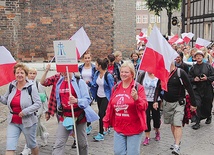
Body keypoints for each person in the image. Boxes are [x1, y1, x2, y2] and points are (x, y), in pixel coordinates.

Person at [103, 61, 148, 155]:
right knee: (118, 152)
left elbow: (144, 106)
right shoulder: (116, 87)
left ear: (132, 73)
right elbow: (110, 106)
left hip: (134, 128)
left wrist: (137, 98)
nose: (123, 74)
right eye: (122, 72)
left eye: (126, 72)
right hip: (119, 127)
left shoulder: (138, 88)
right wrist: (106, 121)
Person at [154, 62, 197, 155]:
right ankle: (176, 141)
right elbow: (157, 88)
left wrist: (193, 103)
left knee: (177, 123)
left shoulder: (180, 72)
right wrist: (155, 101)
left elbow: (189, 87)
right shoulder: (163, 73)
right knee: (172, 124)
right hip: (167, 103)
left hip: (179, 102)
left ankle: (177, 146)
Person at [52, 71, 99, 155]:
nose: (65, 72)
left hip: (79, 116)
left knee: (82, 144)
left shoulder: (79, 82)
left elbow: (87, 99)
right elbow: (57, 100)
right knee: (59, 144)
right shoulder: (59, 82)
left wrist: (77, 100)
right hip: (65, 117)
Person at [0, 63, 41, 155]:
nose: (19, 75)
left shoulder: (31, 87)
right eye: (17, 73)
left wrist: (26, 111)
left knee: (32, 145)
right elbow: (6, 101)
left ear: (26, 74)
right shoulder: (11, 86)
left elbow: (38, 103)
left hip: (28, 122)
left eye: (22, 73)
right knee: (10, 147)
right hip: (13, 121)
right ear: (14, 74)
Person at [20, 68, 49, 155]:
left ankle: (27, 147)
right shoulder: (23, 84)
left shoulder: (37, 84)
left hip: (37, 111)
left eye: (34, 73)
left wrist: (45, 110)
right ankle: (44, 135)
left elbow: (44, 98)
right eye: (30, 73)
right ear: (27, 74)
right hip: (26, 110)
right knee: (37, 126)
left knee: (31, 129)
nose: (32, 75)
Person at [88, 58, 114, 141]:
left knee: (101, 114)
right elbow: (95, 84)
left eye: (96, 64)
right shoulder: (97, 73)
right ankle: (107, 126)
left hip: (106, 97)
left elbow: (112, 88)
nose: (95, 66)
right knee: (104, 113)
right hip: (98, 96)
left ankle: (101, 133)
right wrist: (89, 83)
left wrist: (112, 99)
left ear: (100, 66)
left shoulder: (108, 76)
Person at [188, 50, 214, 130]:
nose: (198, 57)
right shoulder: (193, 68)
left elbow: (213, 76)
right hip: (197, 89)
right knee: (197, 105)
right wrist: (194, 79)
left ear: (203, 57)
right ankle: (197, 122)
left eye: (200, 56)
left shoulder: (208, 66)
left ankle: (208, 115)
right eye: (197, 56)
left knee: (207, 105)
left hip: (207, 88)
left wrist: (207, 78)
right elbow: (189, 78)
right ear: (194, 58)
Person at [137, 71, 161, 145]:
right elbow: (137, 85)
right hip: (144, 100)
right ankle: (147, 136)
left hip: (156, 100)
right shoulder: (143, 75)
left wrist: (155, 100)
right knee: (146, 118)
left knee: (156, 117)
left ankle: (157, 131)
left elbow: (160, 89)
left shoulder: (158, 75)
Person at [79, 51, 96, 135]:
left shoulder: (93, 68)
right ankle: (85, 124)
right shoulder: (80, 67)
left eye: (88, 58)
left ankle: (88, 125)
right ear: (83, 59)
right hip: (82, 89)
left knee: (88, 106)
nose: (87, 59)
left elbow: (96, 79)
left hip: (91, 89)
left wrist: (90, 83)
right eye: (85, 58)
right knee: (83, 107)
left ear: (91, 58)